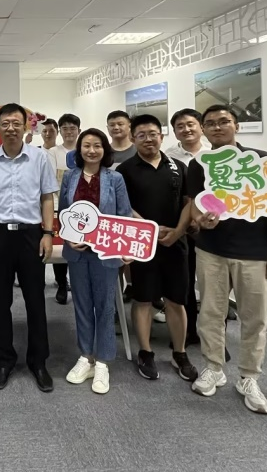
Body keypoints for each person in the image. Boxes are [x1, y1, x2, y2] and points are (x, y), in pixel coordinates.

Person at [187, 105, 267, 415]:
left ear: (237, 126)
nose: (217, 127)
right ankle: (213, 367)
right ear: (204, 130)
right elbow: (193, 204)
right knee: (211, 314)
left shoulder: (260, 160)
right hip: (211, 251)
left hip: (254, 253)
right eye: (211, 124)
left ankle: (249, 377)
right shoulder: (199, 164)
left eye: (224, 122)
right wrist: (201, 220)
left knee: (254, 318)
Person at [0, 103, 58, 392]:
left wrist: (48, 233)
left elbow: (47, 197)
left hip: (31, 235)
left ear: (25, 126)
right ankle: (4, 360)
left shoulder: (39, 158)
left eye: (16, 123)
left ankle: (38, 362)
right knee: (1, 303)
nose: (10, 128)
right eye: (5, 123)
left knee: (36, 301)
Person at [115, 115, 198, 383]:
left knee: (176, 300)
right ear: (133, 139)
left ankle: (179, 353)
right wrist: (149, 229)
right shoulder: (125, 170)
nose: (148, 139)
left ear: (161, 136)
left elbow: (189, 202)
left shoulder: (178, 166)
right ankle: (146, 352)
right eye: (141, 135)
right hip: (141, 242)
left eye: (153, 134)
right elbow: (123, 206)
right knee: (143, 299)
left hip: (176, 242)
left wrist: (177, 232)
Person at [60, 128, 131, 395]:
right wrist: (68, 238)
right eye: (87, 145)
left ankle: (102, 362)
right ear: (79, 150)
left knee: (104, 306)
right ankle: (85, 357)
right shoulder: (70, 176)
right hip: (77, 253)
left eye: (97, 145)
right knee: (81, 305)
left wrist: (124, 248)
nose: (92, 150)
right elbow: (63, 213)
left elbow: (124, 215)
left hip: (106, 253)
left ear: (105, 150)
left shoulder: (115, 178)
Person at [165, 108, 207, 347]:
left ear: (201, 127)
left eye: (191, 124)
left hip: (212, 229)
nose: (186, 129)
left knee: (213, 286)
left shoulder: (215, 154)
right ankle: (187, 331)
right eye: (180, 126)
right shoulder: (169, 157)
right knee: (185, 282)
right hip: (181, 228)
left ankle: (214, 338)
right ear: (174, 131)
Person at [51, 114, 81, 305]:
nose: (69, 132)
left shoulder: (85, 148)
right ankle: (62, 283)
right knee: (60, 246)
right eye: (65, 128)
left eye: (72, 128)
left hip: (84, 208)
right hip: (58, 205)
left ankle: (78, 283)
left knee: (80, 245)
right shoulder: (53, 152)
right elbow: (51, 179)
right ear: (59, 131)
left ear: (79, 130)